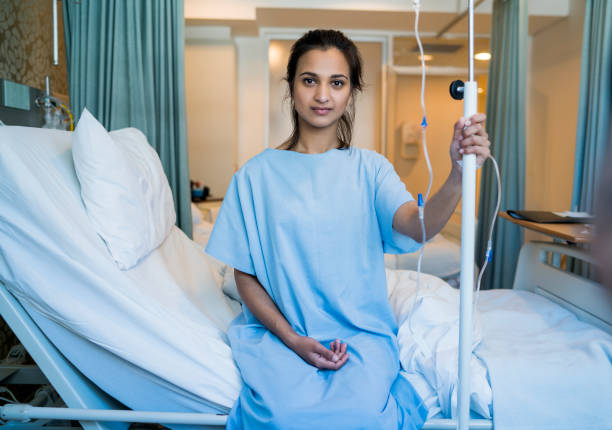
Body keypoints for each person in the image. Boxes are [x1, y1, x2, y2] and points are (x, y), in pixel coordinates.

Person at [206, 29, 491, 430]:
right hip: (282, 337)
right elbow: (245, 274)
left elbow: (417, 225)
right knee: (284, 417)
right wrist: (292, 339)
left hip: (360, 335)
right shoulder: (254, 176)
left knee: (362, 417)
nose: (323, 95)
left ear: (351, 92)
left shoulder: (370, 169)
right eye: (310, 80)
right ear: (291, 87)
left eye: (336, 83)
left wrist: (458, 175)